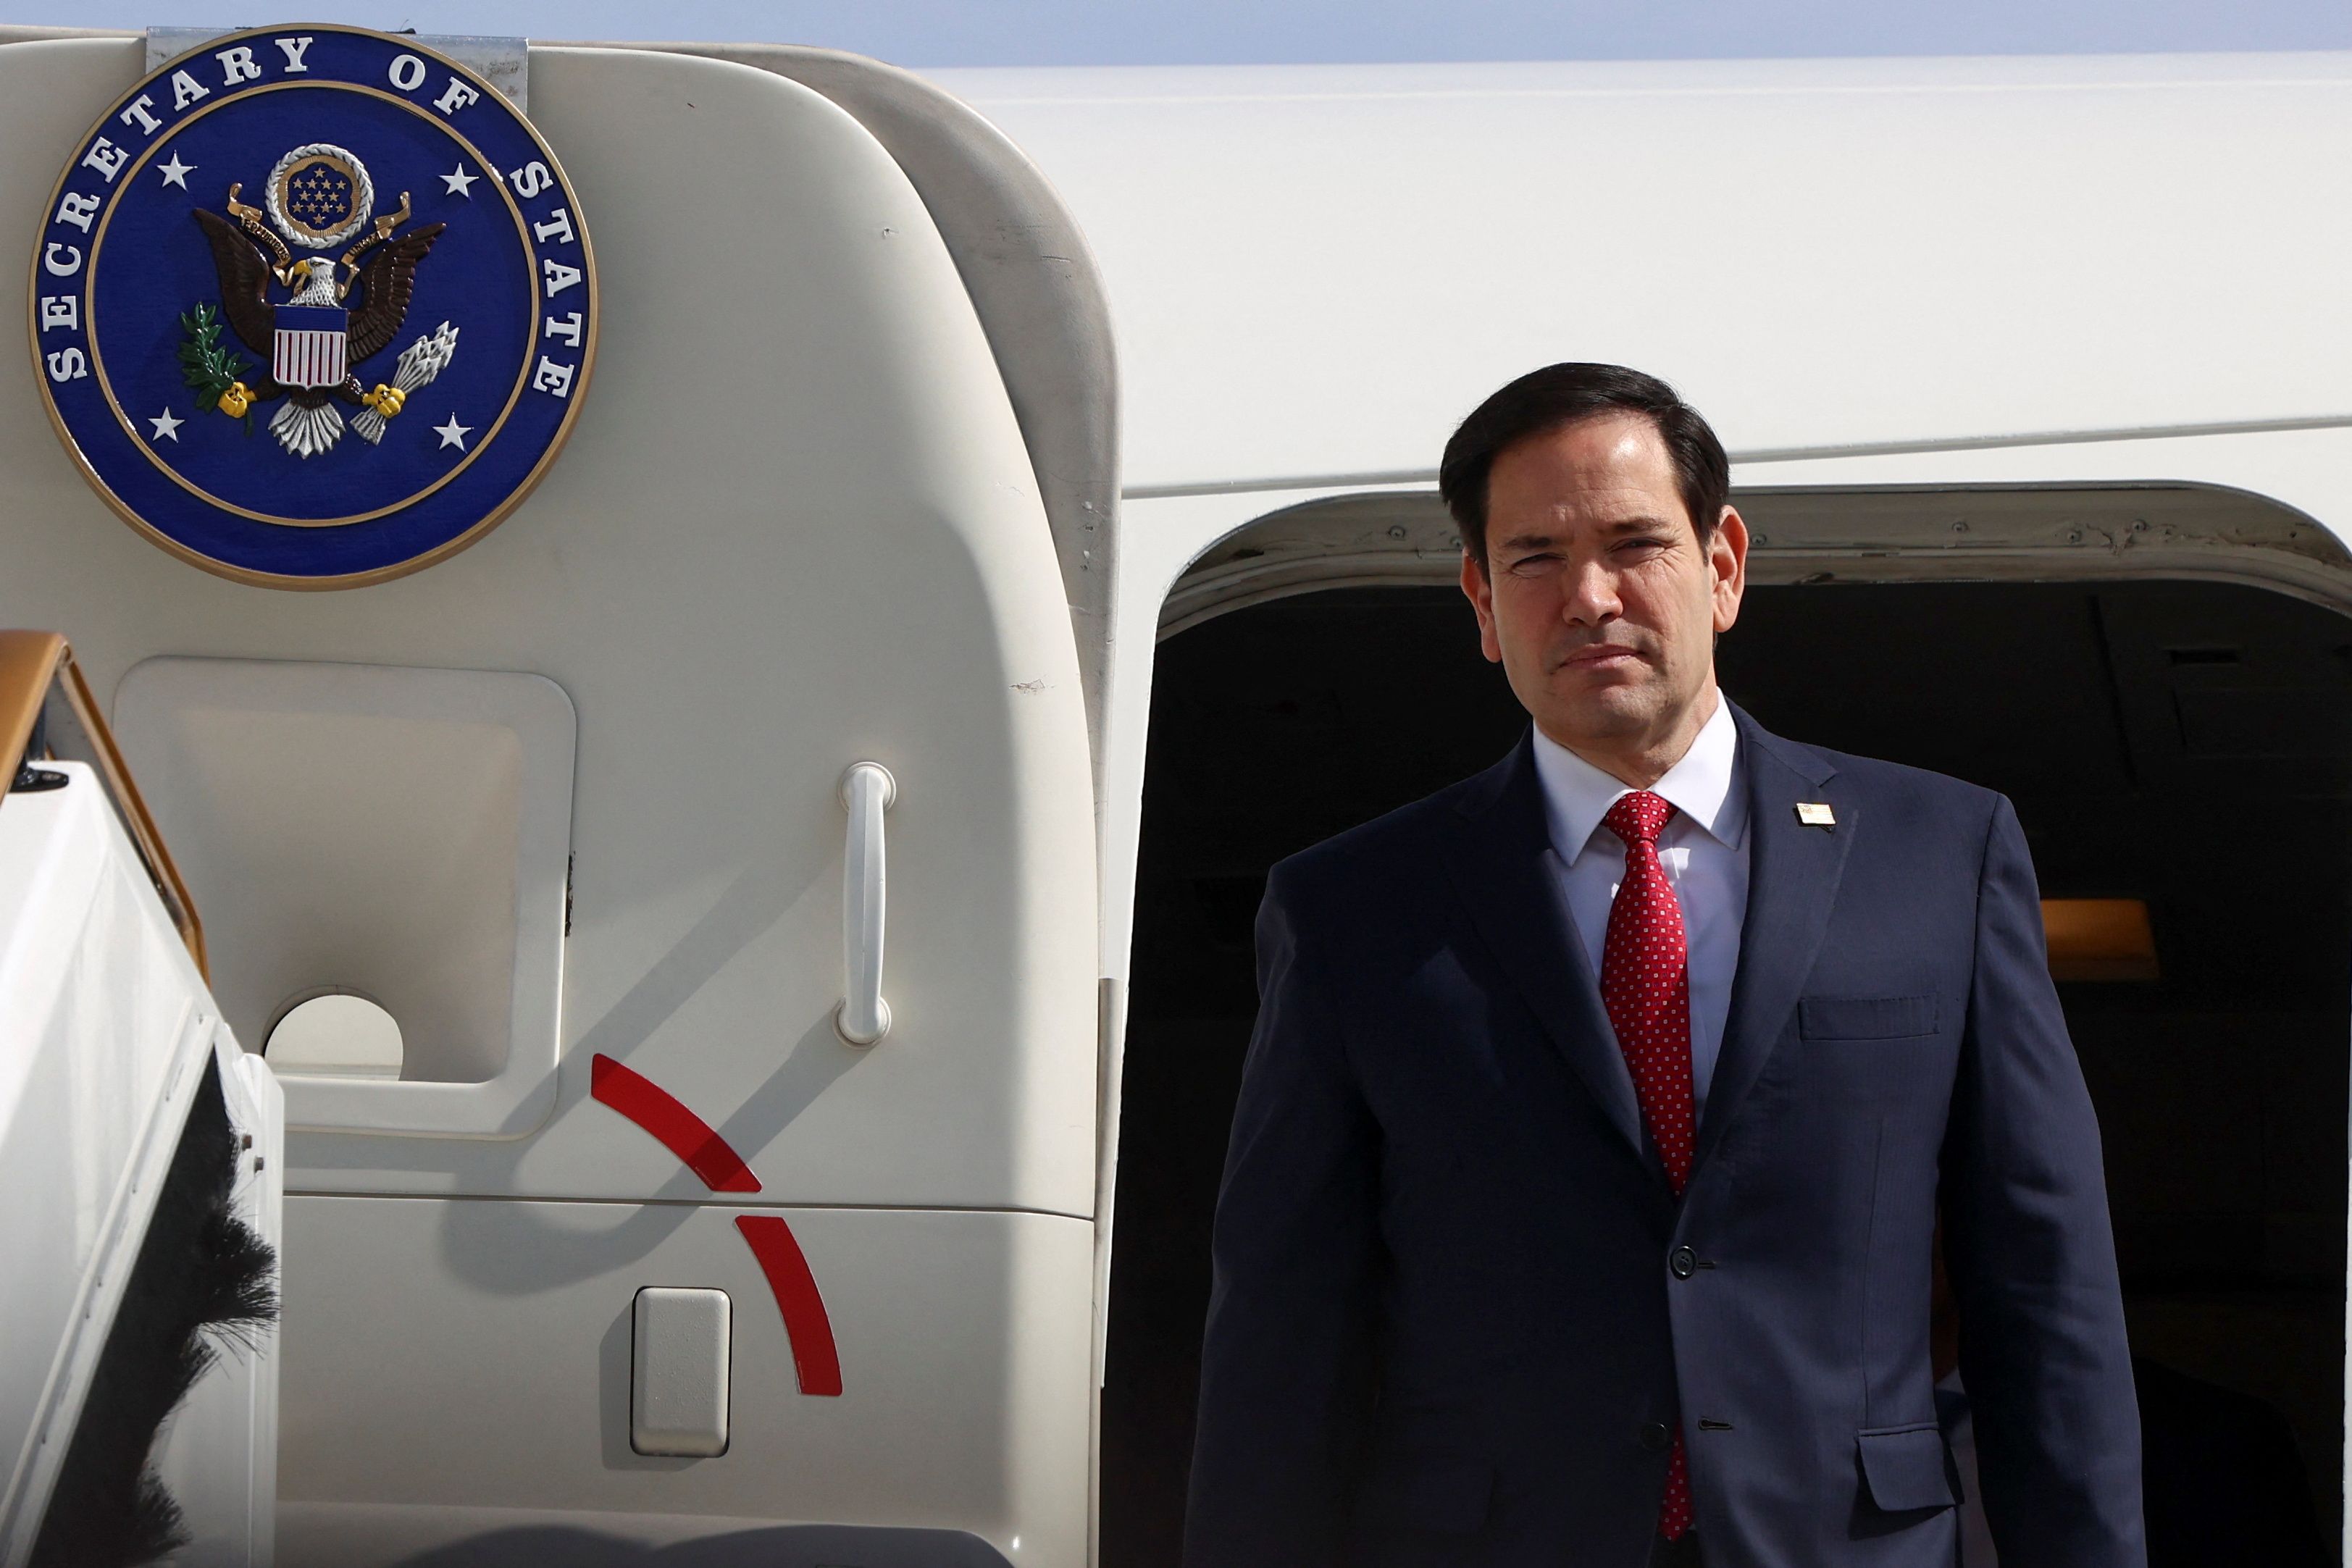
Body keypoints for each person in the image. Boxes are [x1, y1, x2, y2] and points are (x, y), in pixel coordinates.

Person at [1180, 364, 2145, 1567]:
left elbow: (2046, 1288)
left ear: (1725, 562)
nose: (1590, 595)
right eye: (1534, 558)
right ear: (1481, 602)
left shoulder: (1940, 857)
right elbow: (1282, 1332)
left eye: (1636, 542)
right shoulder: (1353, 908)